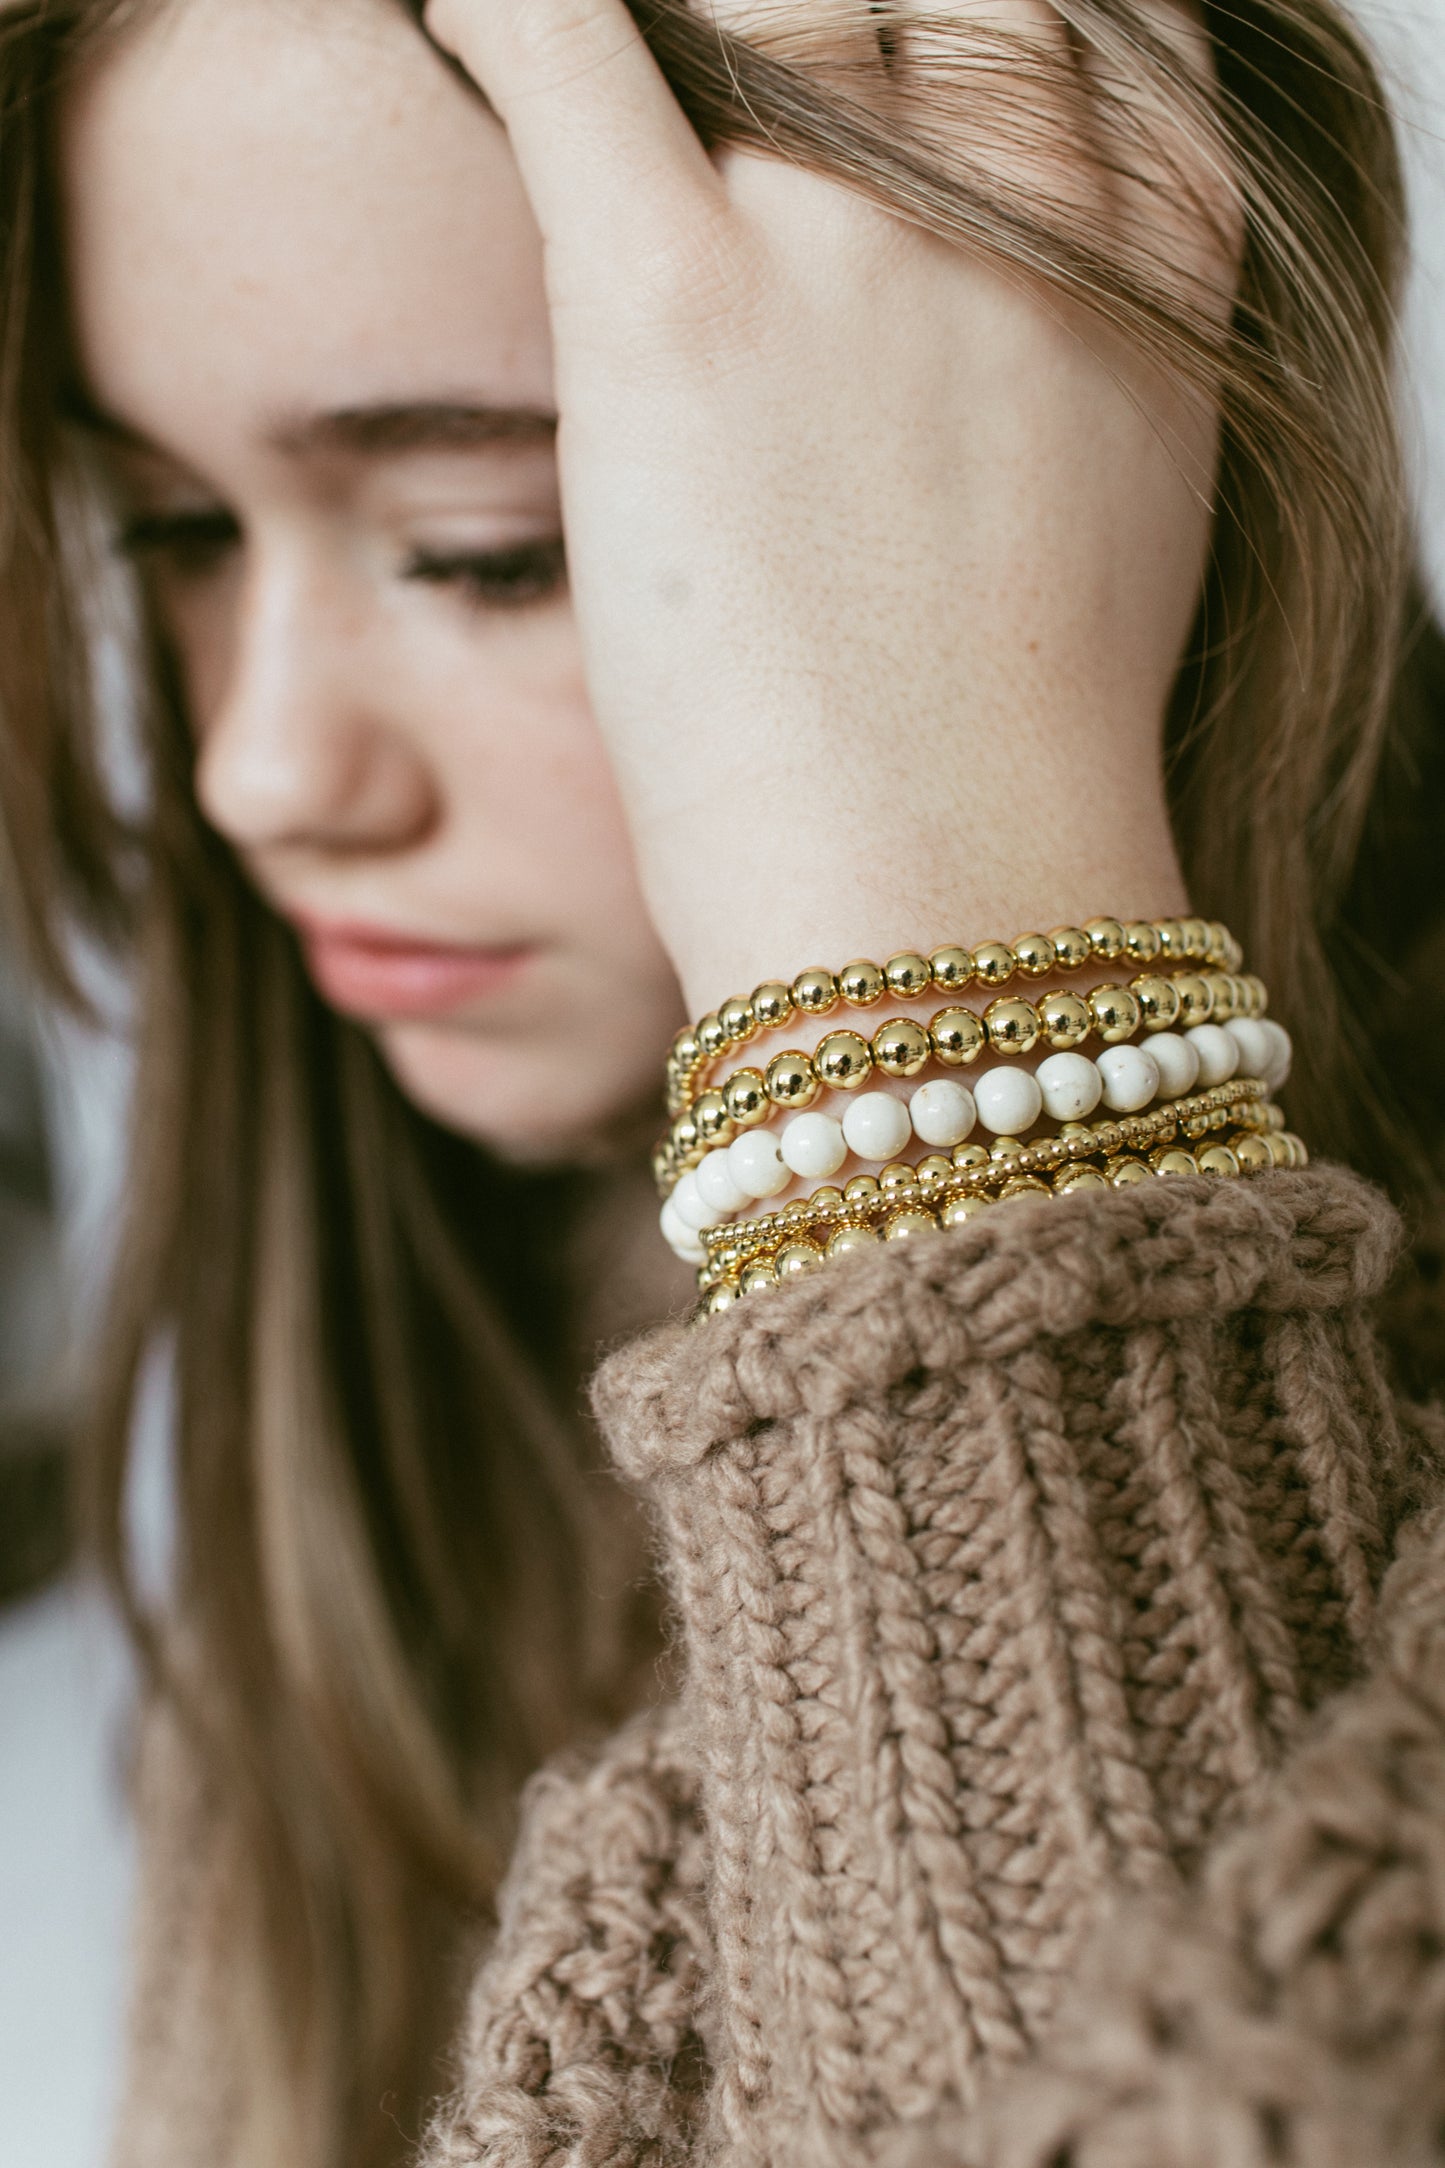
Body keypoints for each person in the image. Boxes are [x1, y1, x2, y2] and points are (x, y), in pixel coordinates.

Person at [0, 0, 1442, 2161]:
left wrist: (960, 1018)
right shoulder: (394, 1381)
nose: (262, 767)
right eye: (175, 538)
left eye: (495, 543)